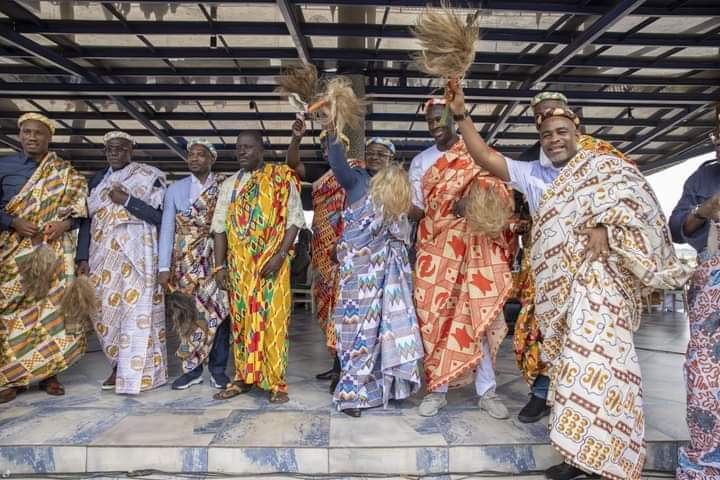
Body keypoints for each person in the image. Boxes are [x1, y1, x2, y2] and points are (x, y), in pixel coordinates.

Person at [447, 82, 689, 480]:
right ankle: (579, 457)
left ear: (578, 132)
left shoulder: (605, 166)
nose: (554, 140)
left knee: (605, 373)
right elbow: (486, 157)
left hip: (600, 292)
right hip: (555, 294)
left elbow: (640, 207)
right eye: (546, 135)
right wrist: (461, 116)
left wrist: (606, 226)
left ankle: (612, 459)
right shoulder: (534, 175)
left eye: (562, 132)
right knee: (568, 374)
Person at [509, 92, 631, 424]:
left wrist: (605, 226)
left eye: (555, 115)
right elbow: (516, 206)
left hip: (589, 263)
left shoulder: (599, 154)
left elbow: (628, 195)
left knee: (584, 337)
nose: (548, 121)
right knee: (537, 330)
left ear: (573, 121)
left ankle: (586, 410)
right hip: (544, 264)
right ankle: (540, 395)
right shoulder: (530, 160)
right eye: (541, 117)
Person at [411, 98, 517, 420]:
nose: (435, 125)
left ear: (455, 119)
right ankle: (437, 390)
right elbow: (418, 210)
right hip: (434, 251)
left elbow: (500, 190)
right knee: (434, 320)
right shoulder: (421, 161)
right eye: (429, 120)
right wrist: (396, 203)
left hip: (474, 250)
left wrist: (474, 199)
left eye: (440, 118)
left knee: (477, 321)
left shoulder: (475, 153)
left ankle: (487, 392)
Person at [324, 131, 424, 417]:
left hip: (390, 270)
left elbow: (410, 221)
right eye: (371, 152)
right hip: (360, 273)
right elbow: (337, 163)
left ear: (391, 158)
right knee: (358, 331)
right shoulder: (355, 180)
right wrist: (332, 129)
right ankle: (351, 395)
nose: (375, 157)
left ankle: (384, 389)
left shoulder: (396, 189)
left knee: (388, 329)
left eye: (382, 153)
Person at [0, 113, 88, 403]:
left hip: (53, 253)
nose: (32, 137)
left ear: (49, 137)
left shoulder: (66, 172)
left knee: (51, 312)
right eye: (26, 132)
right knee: (9, 312)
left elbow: (80, 215)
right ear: (20, 134)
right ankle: (9, 377)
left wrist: (63, 225)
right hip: (13, 252)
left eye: (38, 133)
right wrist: (12, 222)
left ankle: (49, 374)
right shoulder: (4, 165)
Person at [211, 131, 305, 404]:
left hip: (272, 264)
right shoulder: (229, 185)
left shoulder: (280, 178)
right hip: (240, 268)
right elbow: (220, 228)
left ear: (261, 149)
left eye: (248, 148)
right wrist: (219, 268)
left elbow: (295, 220)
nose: (242, 152)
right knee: (242, 323)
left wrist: (280, 255)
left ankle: (276, 382)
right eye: (238, 148)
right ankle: (243, 377)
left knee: (274, 321)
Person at [77, 131, 168, 395]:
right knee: (104, 314)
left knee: (137, 314)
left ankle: (141, 372)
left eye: (120, 149)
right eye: (109, 150)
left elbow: (158, 217)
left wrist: (127, 200)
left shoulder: (149, 177)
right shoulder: (98, 180)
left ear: (131, 150)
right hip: (101, 259)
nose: (114, 154)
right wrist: (82, 257)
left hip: (137, 258)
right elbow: (86, 220)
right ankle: (118, 364)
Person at [286, 114, 360, 389]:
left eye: (335, 145)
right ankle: (337, 364)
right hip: (321, 251)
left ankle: (346, 369)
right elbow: (293, 165)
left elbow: (354, 211)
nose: (330, 150)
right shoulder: (320, 171)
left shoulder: (354, 170)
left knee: (344, 310)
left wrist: (343, 244)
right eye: (327, 147)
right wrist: (296, 138)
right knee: (328, 309)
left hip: (344, 251)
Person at [157, 139, 230, 391]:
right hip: (184, 263)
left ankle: (219, 370)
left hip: (215, 260)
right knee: (187, 315)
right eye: (191, 154)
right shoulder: (175, 189)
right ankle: (192, 370)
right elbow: (167, 228)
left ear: (212, 159)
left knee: (218, 313)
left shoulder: (225, 186)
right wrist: (163, 267)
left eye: (201, 154)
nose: (195, 158)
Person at [670, 129, 720, 480]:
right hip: (710, 295)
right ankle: (705, 465)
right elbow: (676, 228)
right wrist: (704, 210)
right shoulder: (704, 176)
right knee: (704, 384)